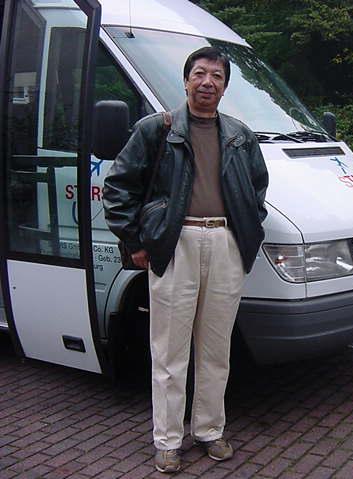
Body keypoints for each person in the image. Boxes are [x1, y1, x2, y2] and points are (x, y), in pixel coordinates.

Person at [103, 46, 268, 473]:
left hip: (225, 243)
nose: (207, 82)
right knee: (169, 351)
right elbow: (118, 187)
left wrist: (246, 231)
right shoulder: (156, 130)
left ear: (225, 86)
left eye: (217, 75)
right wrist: (136, 241)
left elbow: (257, 190)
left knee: (216, 350)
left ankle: (210, 430)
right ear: (186, 80)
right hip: (175, 243)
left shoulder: (239, 135)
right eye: (199, 73)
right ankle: (168, 440)